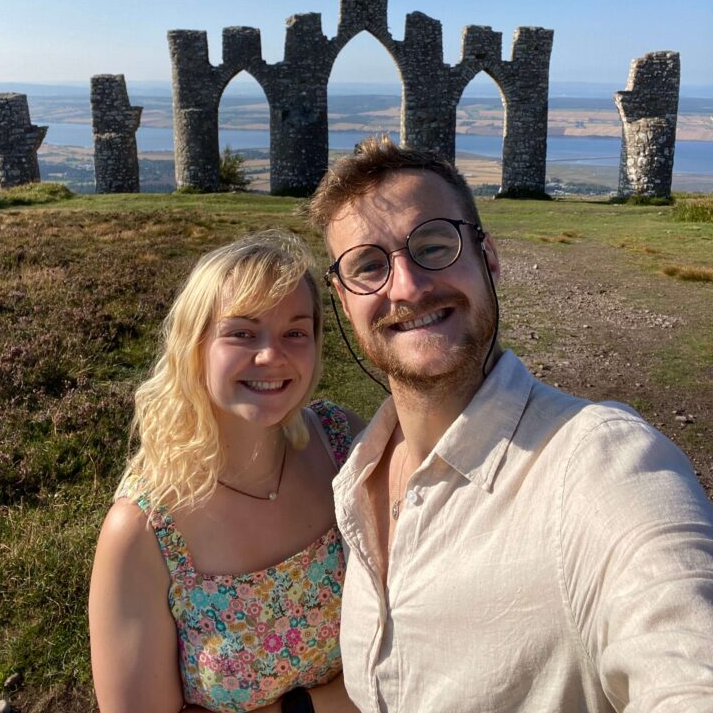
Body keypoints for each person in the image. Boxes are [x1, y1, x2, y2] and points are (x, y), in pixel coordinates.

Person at [307, 136, 713, 713]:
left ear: (488, 256)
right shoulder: (355, 472)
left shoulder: (603, 465)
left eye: (434, 245)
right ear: (344, 301)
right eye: (368, 265)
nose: (408, 286)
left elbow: (686, 658)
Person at [89, 231, 363, 713]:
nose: (271, 355)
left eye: (295, 332)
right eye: (242, 332)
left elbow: (409, 641)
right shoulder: (143, 532)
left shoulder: (343, 446)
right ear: (194, 345)